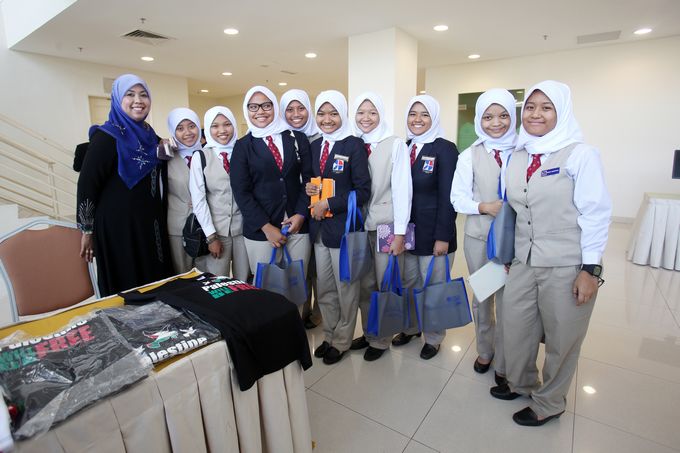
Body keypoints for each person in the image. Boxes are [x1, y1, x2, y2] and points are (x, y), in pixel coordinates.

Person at [489, 80, 611, 427]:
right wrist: (509, 255)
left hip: (567, 263)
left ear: (562, 112)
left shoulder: (581, 155)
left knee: (562, 337)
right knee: (516, 326)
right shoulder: (517, 155)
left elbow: (596, 213)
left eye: (546, 108)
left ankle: (550, 402)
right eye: (530, 107)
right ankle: (523, 383)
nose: (535, 114)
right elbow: (513, 211)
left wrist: (590, 269)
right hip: (523, 260)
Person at [77, 73, 173, 296]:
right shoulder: (106, 138)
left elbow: (160, 164)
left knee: (154, 282)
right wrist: (87, 231)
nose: (138, 100)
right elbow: (87, 185)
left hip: (149, 223)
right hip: (117, 227)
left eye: (143, 95)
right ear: (118, 99)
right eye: (130, 94)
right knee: (126, 284)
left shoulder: (150, 135)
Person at [450, 88, 517, 383]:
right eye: (488, 117)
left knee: (510, 301)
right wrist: (484, 207)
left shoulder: (524, 151)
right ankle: (485, 350)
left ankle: (506, 359)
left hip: (517, 241)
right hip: (480, 238)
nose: (496, 123)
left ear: (513, 117)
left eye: (503, 115)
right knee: (484, 296)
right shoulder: (470, 155)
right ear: (479, 119)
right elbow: (457, 198)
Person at [306, 90, 371, 365]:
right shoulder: (315, 145)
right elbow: (313, 181)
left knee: (346, 288)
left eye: (333, 113)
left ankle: (343, 340)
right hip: (319, 230)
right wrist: (309, 189)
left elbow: (363, 190)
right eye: (321, 113)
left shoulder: (353, 145)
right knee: (324, 289)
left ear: (343, 114)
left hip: (343, 231)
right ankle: (330, 335)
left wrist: (330, 202)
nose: (327, 119)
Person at [391, 95, 458, 360]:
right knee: (409, 283)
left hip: (434, 234)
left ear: (434, 118)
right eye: (413, 114)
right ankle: (411, 327)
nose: (417, 120)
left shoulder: (445, 149)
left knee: (433, 287)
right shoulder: (404, 146)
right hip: (407, 233)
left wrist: (443, 236)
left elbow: (449, 196)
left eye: (424, 114)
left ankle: (433, 337)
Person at [231, 86, 312, 300]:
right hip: (261, 231)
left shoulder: (297, 138)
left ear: (275, 107)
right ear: (247, 110)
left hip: (297, 225)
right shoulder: (243, 146)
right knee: (266, 291)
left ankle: (295, 322)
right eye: (253, 107)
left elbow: (309, 180)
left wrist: (301, 214)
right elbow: (241, 192)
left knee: (296, 286)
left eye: (266, 105)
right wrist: (266, 227)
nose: (261, 111)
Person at [349, 92, 412, 362]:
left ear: (381, 115)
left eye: (372, 112)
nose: (366, 118)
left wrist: (400, 233)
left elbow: (402, 189)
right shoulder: (351, 143)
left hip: (386, 225)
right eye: (361, 112)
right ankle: (369, 332)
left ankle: (382, 339)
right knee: (365, 284)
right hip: (358, 226)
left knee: (384, 283)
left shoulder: (395, 144)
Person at [189, 106, 249, 281]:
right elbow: (199, 200)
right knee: (217, 282)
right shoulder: (201, 156)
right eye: (215, 126)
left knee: (244, 281)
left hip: (244, 229)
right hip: (217, 232)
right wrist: (211, 237)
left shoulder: (243, 151)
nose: (222, 130)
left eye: (227, 124)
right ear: (208, 129)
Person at [280, 88, 322, 328]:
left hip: (321, 211)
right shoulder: (279, 138)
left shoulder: (321, 136)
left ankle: (318, 312)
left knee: (318, 269)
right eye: (290, 109)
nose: (296, 114)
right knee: (300, 267)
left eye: (301, 108)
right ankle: (301, 311)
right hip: (297, 211)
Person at [166, 107, 203, 273]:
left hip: (208, 226)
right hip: (178, 227)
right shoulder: (165, 158)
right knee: (183, 275)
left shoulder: (209, 153)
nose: (187, 132)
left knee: (209, 277)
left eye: (192, 126)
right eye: (180, 128)